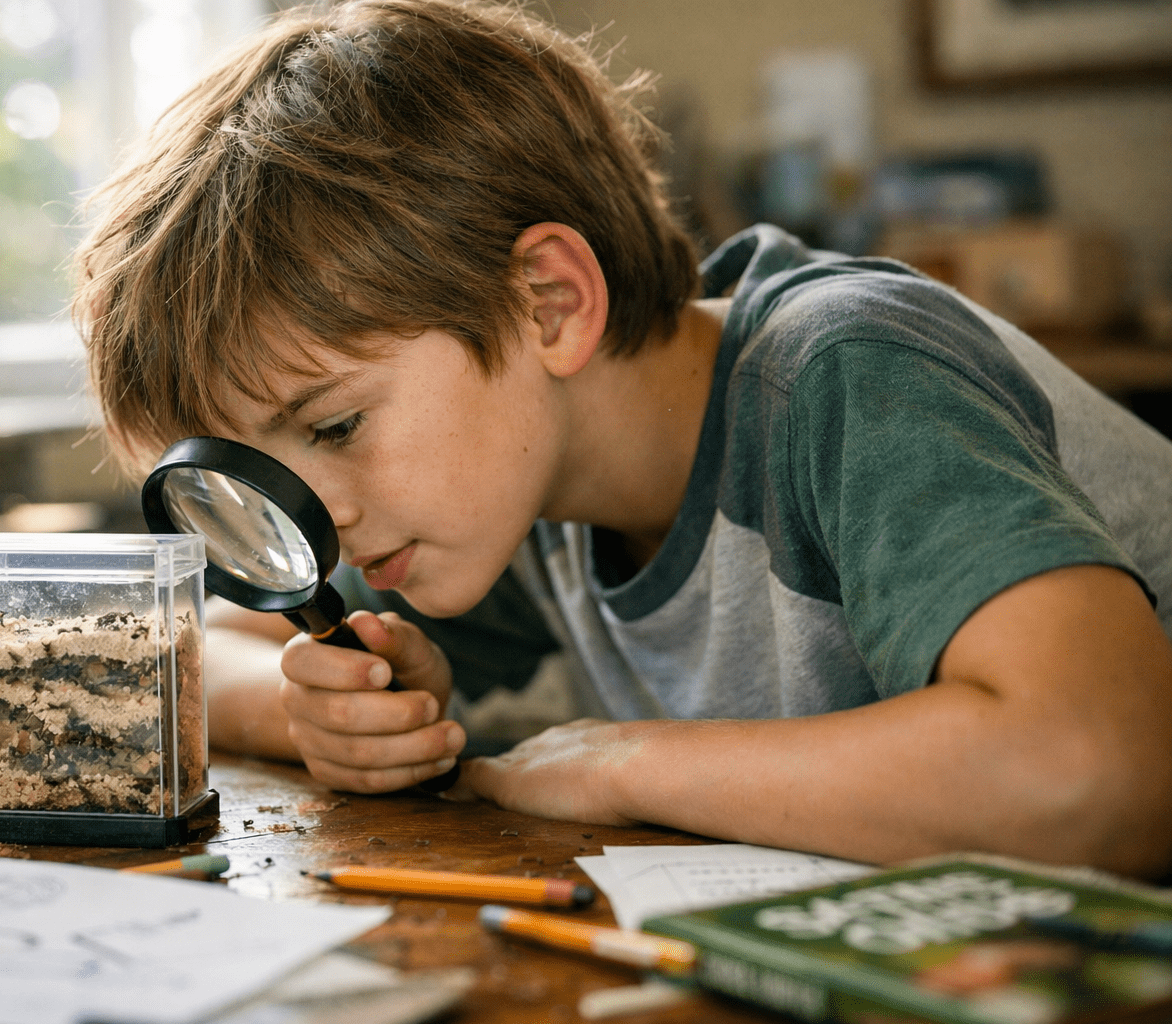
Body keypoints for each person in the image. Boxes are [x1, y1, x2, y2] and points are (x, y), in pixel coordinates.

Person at [72, 0, 1172, 878]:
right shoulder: (523, 488)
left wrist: (625, 762)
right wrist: (328, 711)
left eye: (336, 424)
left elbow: (1101, 771)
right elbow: (189, 648)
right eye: (272, 465)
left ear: (550, 304)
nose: (329, 514)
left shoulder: (844, 374)